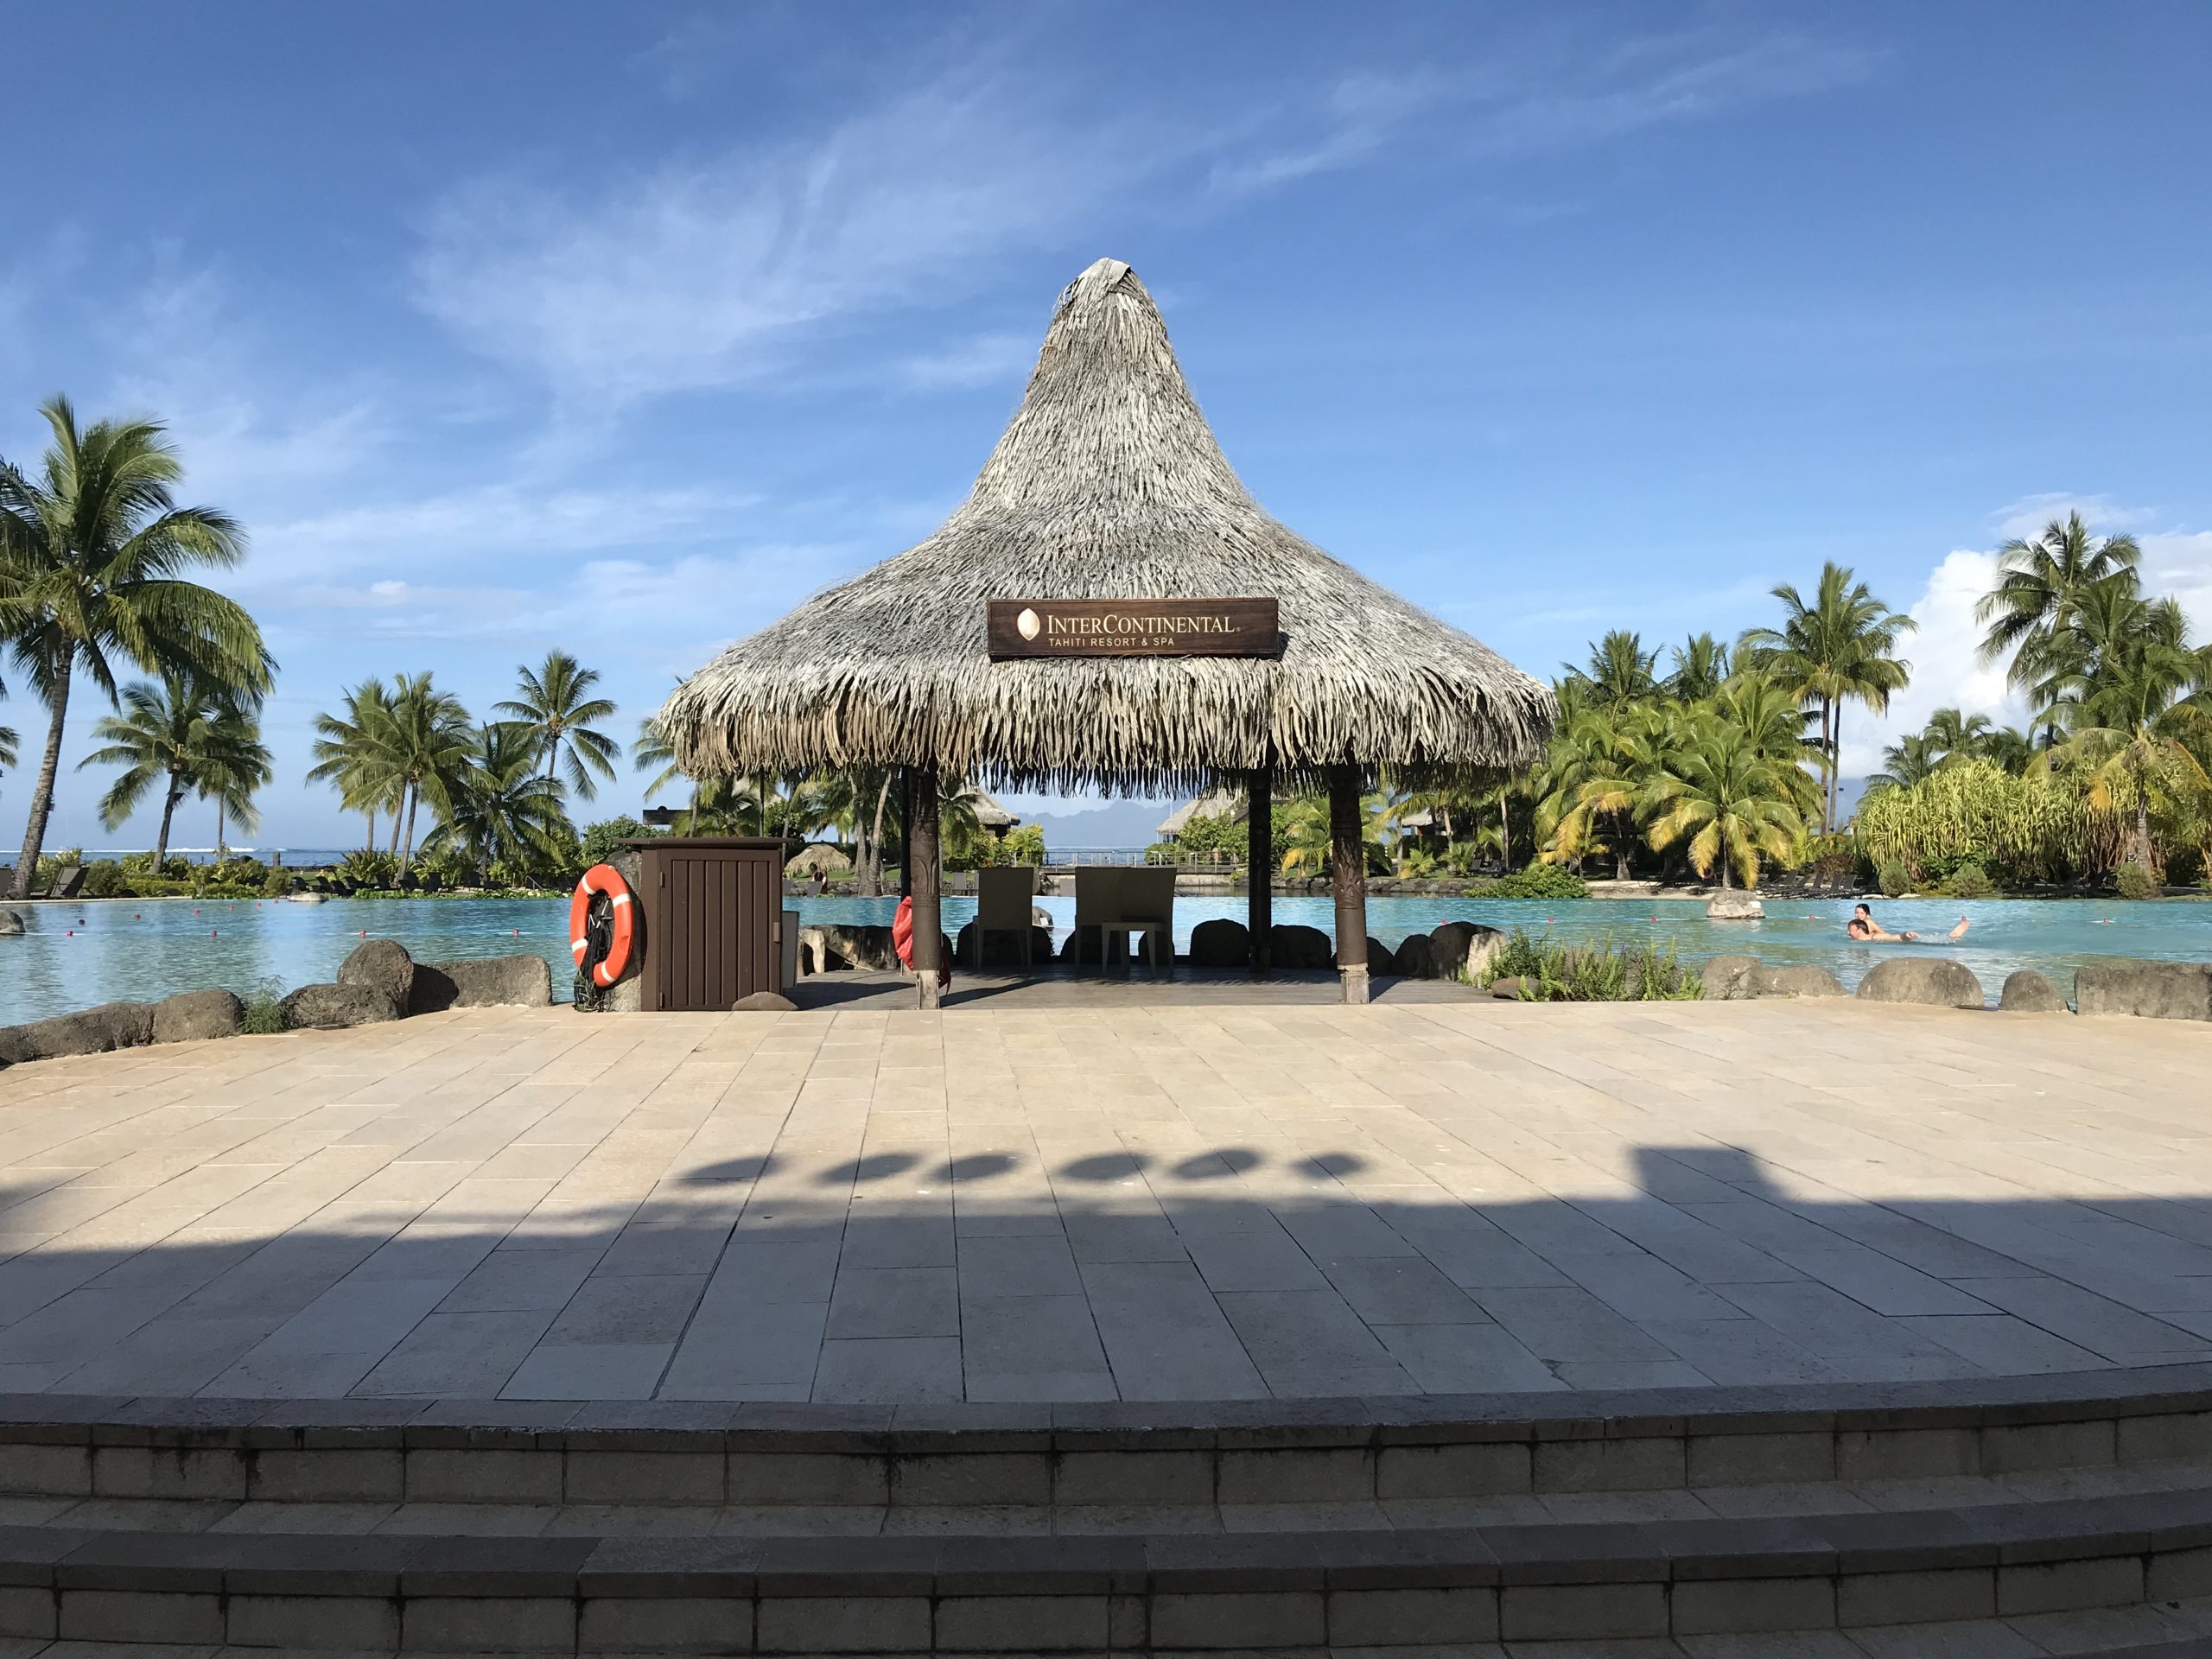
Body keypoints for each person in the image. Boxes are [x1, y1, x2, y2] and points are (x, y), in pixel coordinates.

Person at [1846, 902, 1968, 943]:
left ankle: (1954, 935)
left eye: (1861, 913)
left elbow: (1890, 936)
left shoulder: (1873, 933)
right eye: (1857, 913)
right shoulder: (1856, 930)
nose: (1858, 915)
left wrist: (1904, 935)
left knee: (1938, 940)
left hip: (1908, 938)